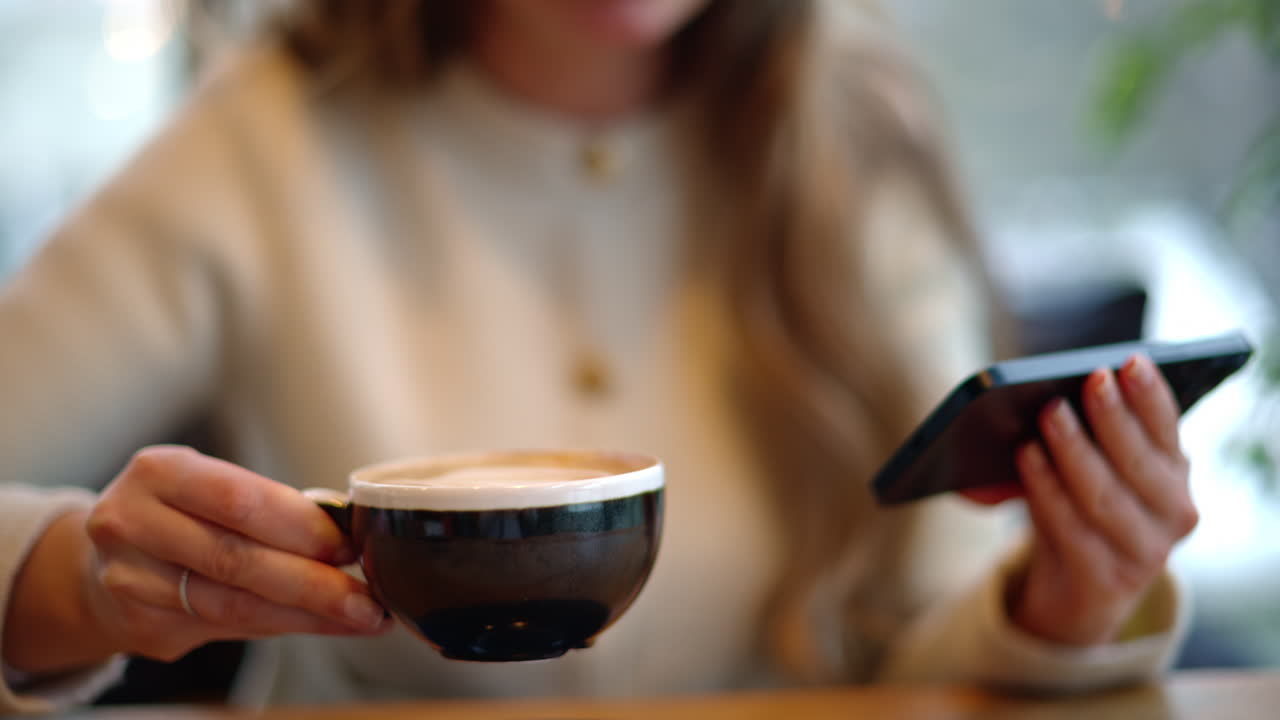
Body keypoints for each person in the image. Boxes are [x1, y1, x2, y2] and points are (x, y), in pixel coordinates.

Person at [0, 0, 1198, 713]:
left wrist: (1057, 605)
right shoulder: (261, 141)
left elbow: (920, 633)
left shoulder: (851, 128)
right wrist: (74, 585)